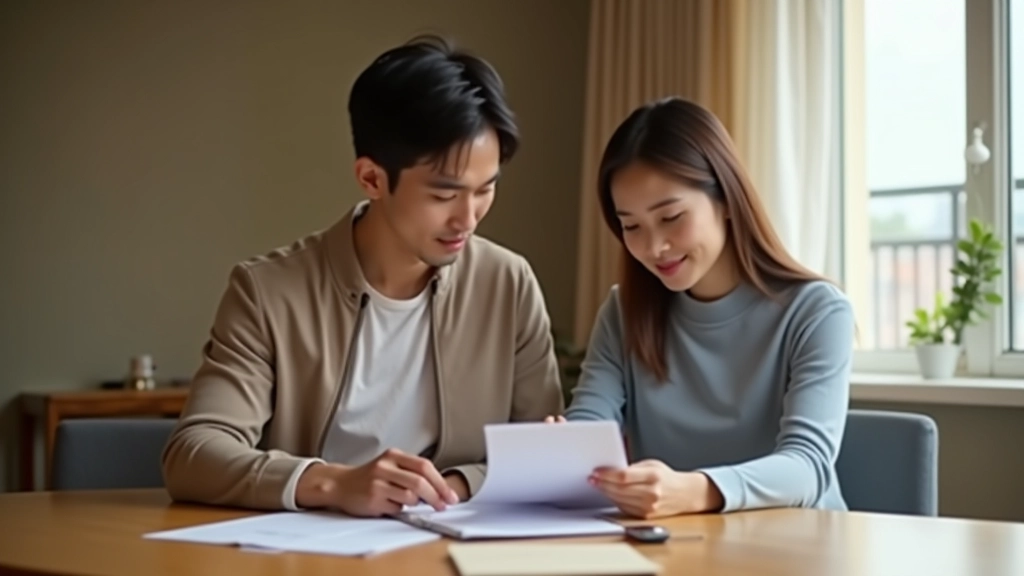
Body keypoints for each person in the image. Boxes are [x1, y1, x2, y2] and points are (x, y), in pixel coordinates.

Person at [162, 35, 563, 517]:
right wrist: (334, 483)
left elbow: (542, 450)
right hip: (305, 557)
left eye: (486, 190)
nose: (468, 218)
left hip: (452, 549)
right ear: (372, 178)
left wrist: (452, 483)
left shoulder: (508, 284)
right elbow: (194, 454)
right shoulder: (268, 293)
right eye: (444, 196)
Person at [554, 97, 854, 519]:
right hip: (677, 547)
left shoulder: (816, 312)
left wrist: (697, 490)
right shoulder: (625, 312)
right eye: (632, 226)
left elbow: (808, 467)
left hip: (798, 548)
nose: (654, 247)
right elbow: (591, 422)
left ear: (727, 200)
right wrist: (567, 449)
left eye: (672, 217)